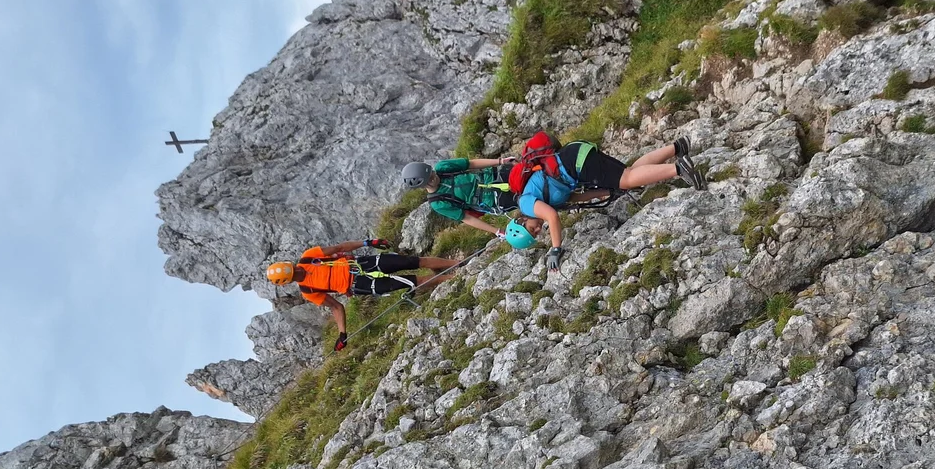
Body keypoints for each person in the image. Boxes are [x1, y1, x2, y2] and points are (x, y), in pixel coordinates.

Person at [519, 137, 706, 271]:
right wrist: (608, 192)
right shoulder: (540, 198)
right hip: (575, 154)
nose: (538, 230)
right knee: (629, 173)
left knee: (627, 179)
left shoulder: (525, 204)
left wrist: (555, 249)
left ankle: (680, 169)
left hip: (574, 163)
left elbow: (552, 217)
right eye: (536, 234)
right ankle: (677, 147)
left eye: (531, 229)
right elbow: (575, 198)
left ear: (522, 221)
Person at [265, 240, 460, 350]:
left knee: (413, 263)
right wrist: (342, 334)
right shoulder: (308, 290)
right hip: (361, 283)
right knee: (412, 279)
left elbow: (340, 248)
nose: (298, 269)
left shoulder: (309, 257)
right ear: (289, 278)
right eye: (294, 271)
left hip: (360, 267)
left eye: (294, 268)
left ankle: (458, 265)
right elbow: (336, 307)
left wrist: (368, 242)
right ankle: (454, 276)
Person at [399, 158, 539, 244]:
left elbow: (470, 163)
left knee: (535, 174)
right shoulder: (438, 203)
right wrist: (497, 231)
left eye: (432, 173)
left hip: (496, 175)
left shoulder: (443, 168)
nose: (434, 177)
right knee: (533, 199)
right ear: (422, 186)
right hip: (496, 200)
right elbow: (467, 218)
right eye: (430, 179)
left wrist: (500, 161)